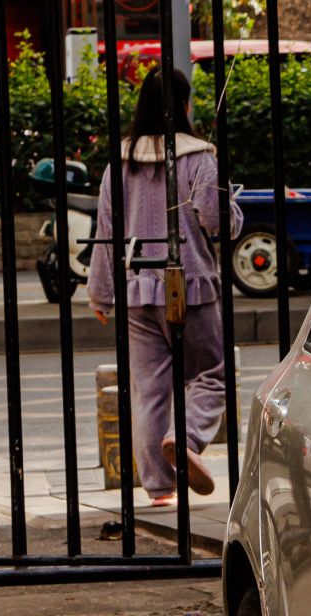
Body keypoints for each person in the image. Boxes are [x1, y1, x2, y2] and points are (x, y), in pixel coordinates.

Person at [87, 68, 240, 507]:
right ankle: (187, 438)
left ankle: (159, 489)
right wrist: (233, 205)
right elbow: (217, 223)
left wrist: (101, 294)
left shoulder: (119, 162)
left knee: (151, 389)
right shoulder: (200, 157)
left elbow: (107, 231)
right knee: (212, 375)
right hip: (191, 284)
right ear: (186, 107)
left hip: (138, 290)